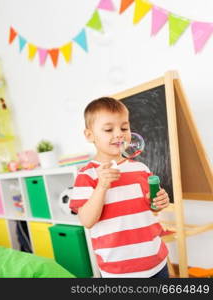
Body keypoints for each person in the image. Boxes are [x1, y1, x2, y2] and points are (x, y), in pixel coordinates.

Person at [69, 97, 170, 278]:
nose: (119, 134)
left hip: (156, 260)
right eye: (109, 129)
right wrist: (102, 186)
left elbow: (151, 208)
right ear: (89, 135)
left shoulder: (140, 168)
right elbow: (87, 220)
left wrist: (158, 202)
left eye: (124, 128)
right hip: (119, 270)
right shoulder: (87, 176)